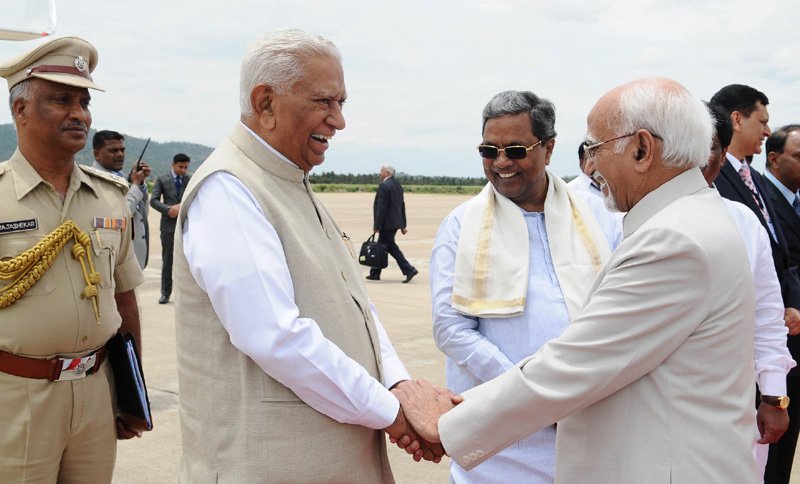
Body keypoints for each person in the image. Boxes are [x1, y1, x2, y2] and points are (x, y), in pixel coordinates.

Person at [396, 77, 760, 483]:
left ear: (642, 149)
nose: (590, 166)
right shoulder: (688, 219)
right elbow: (455, 328)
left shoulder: (672, 240)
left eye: (596, 148)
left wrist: (447, 423)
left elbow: (579, 362)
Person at [172, 29, 445, 483]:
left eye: (341, 103)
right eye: (324, 102)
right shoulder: (230, 188)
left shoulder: (289, 181)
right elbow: (275, 335)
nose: (338, 121)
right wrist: (395, 411)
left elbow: (355, 307)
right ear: (265, 103)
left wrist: (399, 384)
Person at [430, 90, 620, 483]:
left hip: (589, 424)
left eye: (515, 150)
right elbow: (451, 329)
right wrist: (535, 398)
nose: (501, 163)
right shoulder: (461, 225)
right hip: (500, 443)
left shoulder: (601, 217)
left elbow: (619, 315)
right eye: (488, 150)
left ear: (548, 149)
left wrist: (565, 398)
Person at [0, 36, 145, 482]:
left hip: (96, 391)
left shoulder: (110, 197)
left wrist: (131, 394)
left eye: (83, 102)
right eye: (61, 100)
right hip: (17, 397)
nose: (79, 114)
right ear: (20, 110)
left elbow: (124, 301)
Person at [711, 85, 800, 484]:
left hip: (774, 334)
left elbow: (777, 261)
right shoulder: (714, 180)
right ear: (736, 119)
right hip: (735, 352)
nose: (766, 131)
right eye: (762, 121)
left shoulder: (750, 179)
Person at [93, 130, 151, 269]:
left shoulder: (121, 177)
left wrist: (140, 183)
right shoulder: (95, 180)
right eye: (113, 150)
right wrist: (135, 184)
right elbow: (123, 214)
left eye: (122, 150)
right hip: (112, 261)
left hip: (130, 259)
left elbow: (142, 213)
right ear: (97, 154)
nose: (120, 154)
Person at [367, 164, 418, 282]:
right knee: (382, 246)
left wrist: (377, 226)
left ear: (387, 173)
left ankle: (409, 269)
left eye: (382, 171)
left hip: (386, 224)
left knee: (391, 248)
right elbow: (401, 206)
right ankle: (375, 273)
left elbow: (381, 208)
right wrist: (403, 225)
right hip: (395, 223)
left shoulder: (384, 186)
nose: (380, 173)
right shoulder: (398, 186)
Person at [150, 153, 190, 304]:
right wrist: (168, 210)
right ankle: (165, 293)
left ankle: (185, 295)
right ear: (173, 165)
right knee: (168, 262)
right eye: (180, 167)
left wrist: (180, 207)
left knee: (188, 263)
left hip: (186, 227)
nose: (183, 170)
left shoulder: (189, 179)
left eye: (186, 167)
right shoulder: (162, 179)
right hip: (168, 227)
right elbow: (153, 201)